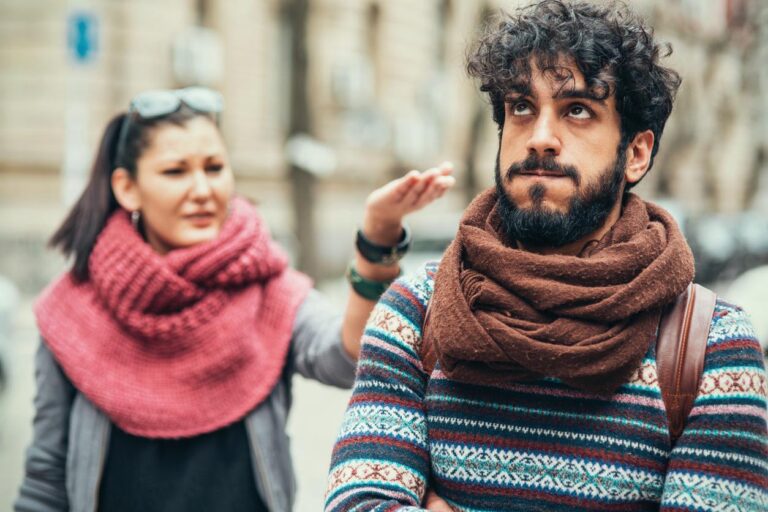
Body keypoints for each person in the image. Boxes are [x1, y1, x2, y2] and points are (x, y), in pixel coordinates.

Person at [324, 1, 768, 511]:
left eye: (577, 110)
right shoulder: (416, 313)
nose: (539, 138)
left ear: (636, 153)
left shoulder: (708, 348)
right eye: (522, 107)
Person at [14, 86, 455, 512]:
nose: (203, 189)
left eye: (214, 167)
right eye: (175, 171)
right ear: (127, 188)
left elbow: (352, 355)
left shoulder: (268, 288)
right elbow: (45, 476)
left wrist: (378, 237)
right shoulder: (74, 311)